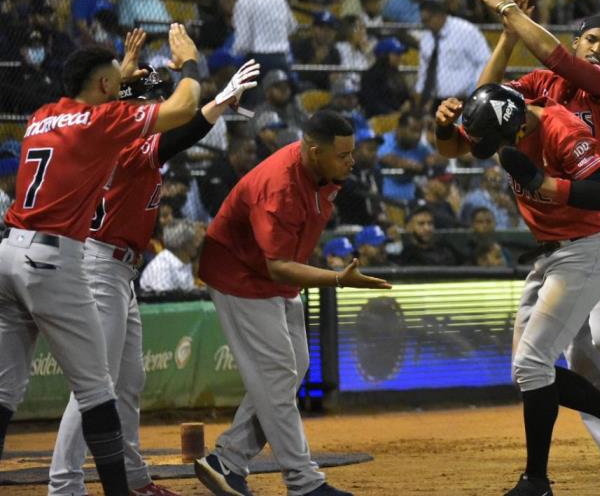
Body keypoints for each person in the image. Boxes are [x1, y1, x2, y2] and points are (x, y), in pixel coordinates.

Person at [471, 0, 600, 493]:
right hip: (559, 232)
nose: (599, 50)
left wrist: (505, 8)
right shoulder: (542, 86)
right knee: (571, 357)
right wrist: (508, 34)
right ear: (578, 39)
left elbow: (556, 56)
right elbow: (487, 100)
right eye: (592, 40)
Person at [0, 24, 202, 495]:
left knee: (5, 391)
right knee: (97, 391)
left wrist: (130, 75)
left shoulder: (42, 116)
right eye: (117, 78)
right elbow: (185, 106)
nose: (123, 84)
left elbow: (107, 100)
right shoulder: (99, 124)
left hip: (8, 253)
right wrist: (189, 62)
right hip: (53, 261)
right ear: (106, 87)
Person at [48, 55, 259, 496]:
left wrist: (215, 99)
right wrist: (216, 99)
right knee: (94, 384)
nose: (160, 105)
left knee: (128, 382)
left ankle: (132, 478)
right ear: (131, 105)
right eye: (153, 100)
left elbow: (175, 128)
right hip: (98, 265)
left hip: (119, 270)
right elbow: (182, 134)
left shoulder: (116, 130)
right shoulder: (121, 139)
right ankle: (64, 484)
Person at [436, 83, 600, 495]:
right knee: (528, 372)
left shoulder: (562, 130)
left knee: (532, 365)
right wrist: (442, 124)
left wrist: (544, 183)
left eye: (495, 142)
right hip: (549, 255)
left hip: (586, 251)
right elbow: (453, 145)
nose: (489, 148)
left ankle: (537, 480)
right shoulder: (503, 116)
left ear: (517, 127)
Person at [194, 110, 391, 496]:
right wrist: (337, 279)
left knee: (293, 367)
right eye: (343, 155)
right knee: (278, 372)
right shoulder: (280, 187)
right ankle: (304, 483)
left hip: (272, 273)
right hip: (240, 275)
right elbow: (279, 266)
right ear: (315, 152)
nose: (352, 161)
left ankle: (228, 459)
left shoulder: (323, 170)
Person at [415, 0, 491, 111]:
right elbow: (424, 69)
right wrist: (420, 93)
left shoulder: (465, 30)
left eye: (428, 20)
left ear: (439, 16)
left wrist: (475, 90)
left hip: (466, 99)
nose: (426, 24)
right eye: (423, 21)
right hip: (437, 101)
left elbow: (485, 60)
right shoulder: (427, 38)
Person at [139, 219, 200, 293]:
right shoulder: (162, 268)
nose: (198, 244)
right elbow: (160, 302)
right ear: (183, 244)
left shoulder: (183, 261)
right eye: (195, 240)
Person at [399, 204, 463, 265]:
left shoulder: (445, 248)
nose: (427, 228)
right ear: (409, 227)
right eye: (421, 224)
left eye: (430, 223)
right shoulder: (407, 255)